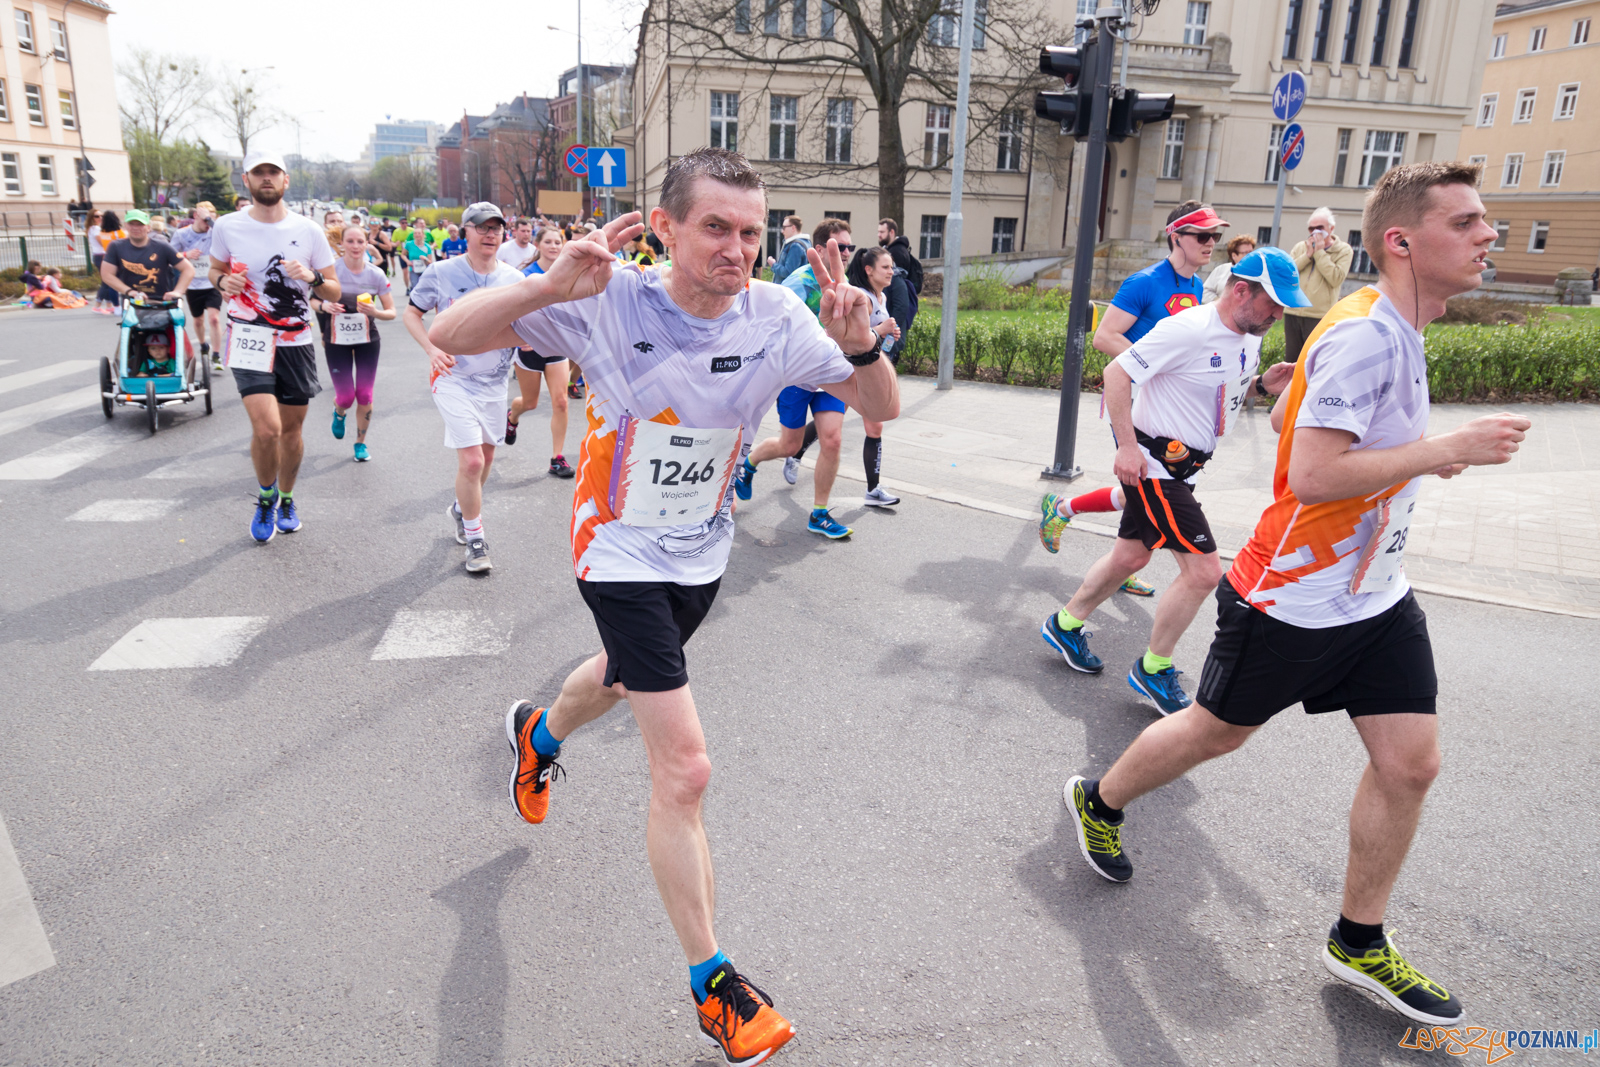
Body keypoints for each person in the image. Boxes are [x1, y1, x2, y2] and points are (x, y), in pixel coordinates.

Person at [429, 146, 898, 1066]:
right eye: (716, 228)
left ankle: (538, 734)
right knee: (684, 769)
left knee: (625, 675)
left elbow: (881, 404)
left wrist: (860, 341)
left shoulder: (777, 313)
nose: (739, 249)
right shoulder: (610, 299)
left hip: (702, 550)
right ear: (668, 229)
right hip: (615, 546)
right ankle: (714, 984)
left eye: (753, 232)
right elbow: (451, 332)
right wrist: (539, 285)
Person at [1064, 161, 1530, 1028]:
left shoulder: (1386, 323)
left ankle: (1358, 939)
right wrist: (1442, 447)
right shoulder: (1364, 333)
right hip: (1292, 593)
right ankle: (1100, 798)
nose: (1487, 235)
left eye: (1484, 221)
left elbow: (1288, 430)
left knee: (1412, 762)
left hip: (1376, 594)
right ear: (1402, 241)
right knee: (1215, 732)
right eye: (1465, 222)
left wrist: (1297, 398)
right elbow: (1312, 475)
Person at [1039, 247, 1304, 714]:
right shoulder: (1188, 329)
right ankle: (1154, 668)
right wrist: (1125, 448)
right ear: (1241, 290)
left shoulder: (1248, 334)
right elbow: (1116, 373)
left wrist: (1263, 384)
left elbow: (1220, 388)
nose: (1278, 315)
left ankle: (1064, 623)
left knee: (1131, 555)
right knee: (1203, 573)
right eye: (1274, 304)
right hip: (1157, 467)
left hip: (1186, 468)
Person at [1063, 200, 1230, 598]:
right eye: (1202, 236)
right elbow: (1105, 337)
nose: (1211, 244)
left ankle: (1075, 518)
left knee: (1152, 491)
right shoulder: (1145, 282)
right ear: (1177, 237)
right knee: (1158, 489)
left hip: (1168, 410)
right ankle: (1121, 561)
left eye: (1215, 236)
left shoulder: (1194, 285)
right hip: (1135, 403)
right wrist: (1150, 366)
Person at [208, 149, 340, 543]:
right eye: (258, 172)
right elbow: (215, 269)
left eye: (274, 172)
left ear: (285, 181)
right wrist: (221, 283)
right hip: (249, 335)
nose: (267, 178)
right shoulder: (227, 226)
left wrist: (313, 276)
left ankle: (286, 497)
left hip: (294, 339)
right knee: (267, 429)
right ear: (246, 180)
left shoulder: (310, 230)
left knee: (292, 432)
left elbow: (334, 287)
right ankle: (265, 498)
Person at [403, 202, 522, 574]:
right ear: (465, 232)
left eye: (496, 228)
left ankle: (460, 507)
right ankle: (475, 538)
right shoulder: (441, 272)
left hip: (494, 382)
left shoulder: (514, 279)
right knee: (470, 460)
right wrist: (432, 349)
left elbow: (529, 323)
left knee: (485, 461)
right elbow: (412, 313)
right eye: (482, 228)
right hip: (452, 378)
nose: (490, 235)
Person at [732, 218, 857, 538]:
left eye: (849, 247)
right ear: (819, 249)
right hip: (795, 378)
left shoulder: (846, 283)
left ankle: (819, 513)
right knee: (791, 445)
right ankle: (750, 465)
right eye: (839, 246)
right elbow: (769, 328)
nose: (845, 253)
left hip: (831, 376)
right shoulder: (797, 284)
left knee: (833, 439)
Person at [315, 224, 396, 463]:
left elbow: (391, 311)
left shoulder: (376, 274)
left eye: (360, 241)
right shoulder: (332, 272)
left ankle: (360, 443)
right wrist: (324, 306)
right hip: (336, 341)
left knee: (364, 394)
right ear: (341, 244)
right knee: (346, 397)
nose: (355, 246)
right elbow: (312, 300)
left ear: (367, 243)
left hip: (367, 340)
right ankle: (339, 411)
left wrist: (375, 311)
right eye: (350, 241)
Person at [505, 225, 574, 476]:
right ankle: (512, 416)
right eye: (549, 242)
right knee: (530, 402)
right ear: (538, 245)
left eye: (558, 242)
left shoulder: (569, 274)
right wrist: (520, 336)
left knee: (561, 402)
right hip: (529, 348)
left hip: (556, 346)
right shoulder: (525, 275)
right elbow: (510, 310)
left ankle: (557, 458)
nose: (554, 246)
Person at [845, 245, 910, 506]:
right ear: (868, 270)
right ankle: (795, 451)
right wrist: (880, 329)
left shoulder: (879, 297)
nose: (891, 271)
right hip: (847, 369)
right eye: (885, 267)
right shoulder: (863, 297)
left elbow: (874, 333)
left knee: (873, 425)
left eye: (891, 266)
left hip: (866, 370)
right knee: (831, 427)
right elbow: (853, 336)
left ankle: (873, 490)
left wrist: (888, 333)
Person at [1285, 207, 1354, 363]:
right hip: (1293, 312)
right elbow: (1288, 273)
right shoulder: (1301, 247)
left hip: (1318, 315)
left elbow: (1336, 278)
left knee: (1313, 361)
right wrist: (1307, 255)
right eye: (1311, 228)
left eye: (1320, 228)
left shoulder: (1343, 250)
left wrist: (1319, 252)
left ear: (1331, 228)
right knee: (1291, 362)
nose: (1315, 231)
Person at [100, 209, 194, 305]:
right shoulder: (116, 247)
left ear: (148, 227)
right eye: (131, 224)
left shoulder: (162, 246)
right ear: (125, 226)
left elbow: (188, 269)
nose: (135, 228)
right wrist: (129, 291)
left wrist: (178, 291)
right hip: (132, 303)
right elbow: (107, 274)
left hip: (162, 303)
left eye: (140, 224)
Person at [172, 202, 225, 370]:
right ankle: (203, 345)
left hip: (211, 283)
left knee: (214, 319)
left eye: (210, 220)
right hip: (193, 285)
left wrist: (209, 220)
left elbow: (223, 232)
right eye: (204, 220)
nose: (208, 224)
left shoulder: (213, 232)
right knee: (198, 320)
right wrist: (186, 254)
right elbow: (170, 255)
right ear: (195, 216)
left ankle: (216, 355)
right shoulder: (181, 234)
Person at [1203, 234, 1256, 304]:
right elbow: (1205, 292)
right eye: (1245, 253)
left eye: (1251, 252)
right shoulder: (1221, 270)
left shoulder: (1257, 273)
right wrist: (1220, 302)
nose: (1250, 256)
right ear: (1234, 256)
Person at [877, 218, 923, 295]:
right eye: (878, 232)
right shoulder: (891, 249)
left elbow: (896, 283)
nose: (879, 235)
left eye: (882, 232)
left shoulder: (897, 253)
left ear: (891, 232)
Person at [92, 210, 126, 314]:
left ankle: (116, 307)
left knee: (112, 284)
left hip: (108, 258)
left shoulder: (102, 233)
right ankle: (124, 305)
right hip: (120, 259)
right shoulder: (119, 232)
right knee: (125, 282)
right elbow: (125, 245)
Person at [765, 215, 809, 283]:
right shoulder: (806, 242)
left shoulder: (795, 246)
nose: (782, 231)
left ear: (793, 228)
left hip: (788, 290)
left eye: (784, 227)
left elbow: (788, 273)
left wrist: (773, 264)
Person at [402, 223, 434, 292]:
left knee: (424, 288)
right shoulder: (409, 244)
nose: (417, 235)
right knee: (415, 287)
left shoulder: (427, 246)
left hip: (424, 270)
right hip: (413, 269)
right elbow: (403, 255)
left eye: (419, 233)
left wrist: (425, 259)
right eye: (415, 233)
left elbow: (430, 262)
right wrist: (407, 261)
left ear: (423, 235)